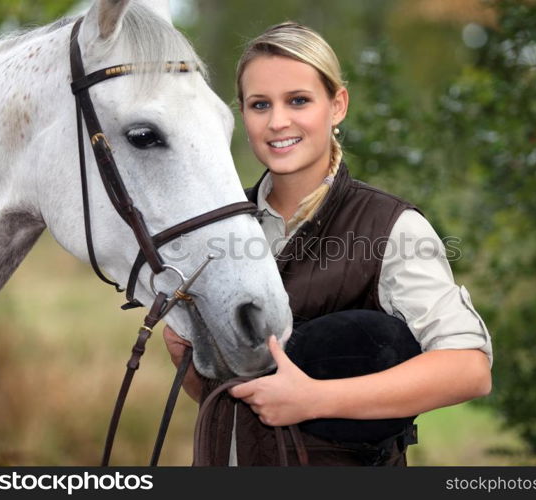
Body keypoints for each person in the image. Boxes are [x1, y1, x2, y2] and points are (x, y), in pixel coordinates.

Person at [164, 21, 492, 466]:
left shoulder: (391, 226)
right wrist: (189, 362)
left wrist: (314, 399)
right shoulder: (218, 231)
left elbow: (468, 369)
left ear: (337, 105)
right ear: (241, 113)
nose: (278, 121)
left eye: (298, 100)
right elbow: (234, 400)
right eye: (260, 104)